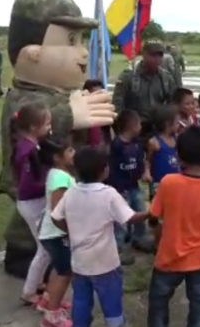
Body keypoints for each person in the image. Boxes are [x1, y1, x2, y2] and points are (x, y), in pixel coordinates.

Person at [0, 0, 116, 278]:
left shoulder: (61, 93)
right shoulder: (23, 98)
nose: (84, 52)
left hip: (58, 175)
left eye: (82, 40)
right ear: (31, 53)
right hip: (32, 178)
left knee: (54, 214)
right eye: (71, 41)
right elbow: (26, 125)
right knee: (37, 217)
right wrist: (69, 115)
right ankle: (24, 255)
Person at [51, 146, 150, 327]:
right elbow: (131, 217)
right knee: (111, 302)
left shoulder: (71, 192)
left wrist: (69, 231)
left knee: (81, 300)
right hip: (105, 264)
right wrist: (151, 213)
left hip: (80, 263)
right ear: (105, 170)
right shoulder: (108, 194)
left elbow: (55, 217)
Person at [147, 126, 200, 327]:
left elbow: (154, 216)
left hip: (168, 257)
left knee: (158, 303)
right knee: (199, 305)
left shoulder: (168, 182)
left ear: (178, 154)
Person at [11, 103, 53, 305]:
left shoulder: (30, 146)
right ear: (33, 128)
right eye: (47, 124)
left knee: (45, 247)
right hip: (32, 204)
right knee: (45, 248)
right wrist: (51, 181)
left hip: (34, 202)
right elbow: (30, 185)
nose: (50, 127)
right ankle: (29, 292)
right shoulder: (29, 152)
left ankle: (38, 283)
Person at [37, 136, 75, 327]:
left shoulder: (56, 173)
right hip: (57, 234)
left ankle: (47, 301)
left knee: (58, 269)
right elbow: (56, 211)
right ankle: (51, 316)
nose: (73, 153)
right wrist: (68, 231)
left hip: (51, 233)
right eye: (69, 151)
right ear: (57, 157)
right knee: (65, 272)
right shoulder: (61, 178)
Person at [108, 109, 154, 263]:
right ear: (131, 126)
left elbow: (140, 161)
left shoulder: (137, 144)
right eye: (139, 124)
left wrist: (143, 173)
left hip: (134, 185)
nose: (141, 127)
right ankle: (119, 248)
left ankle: (139, 238)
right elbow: (112, 167)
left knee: (140, 210)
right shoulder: (116, 146)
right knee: (121, 219)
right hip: (121, 188)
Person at [113, 39, 177, 142]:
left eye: (160, 55)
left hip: (157, 130)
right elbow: (117, 105)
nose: (157, 59)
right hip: (133, 129)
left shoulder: (166, 78)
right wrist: (123, 132)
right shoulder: (128, 76)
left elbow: (172, 105)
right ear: (144, 54)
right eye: (153, 55)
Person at [144, 105, 180, 197]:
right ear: (168, 124)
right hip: (159, 183)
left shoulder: (177, 139)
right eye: (176, 123)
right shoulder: (154, 142)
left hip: (176, 182)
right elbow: (148, 160)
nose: (179, 125)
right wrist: (147, 172)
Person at [83, 79, 112, 147]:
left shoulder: (107, 116)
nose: (99, 99)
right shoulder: (81, 120)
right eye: (95, 95)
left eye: (101, 95)